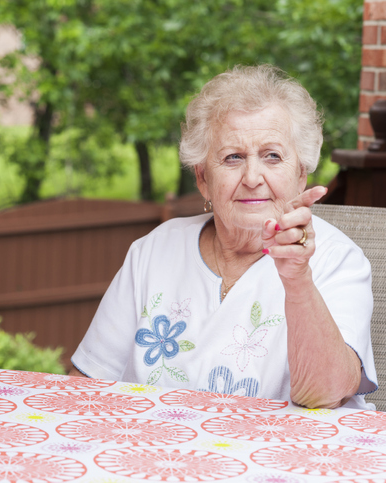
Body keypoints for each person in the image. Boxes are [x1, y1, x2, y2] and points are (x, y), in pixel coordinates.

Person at [70, 64, 378, 409]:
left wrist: (297, 278)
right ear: (203, 179)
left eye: (272, 156)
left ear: (301, 174)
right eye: (233, 158)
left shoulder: (336, 260)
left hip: (281, 458)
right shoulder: (155, 250)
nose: (252, 177)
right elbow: (87, 384)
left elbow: (324, 394)